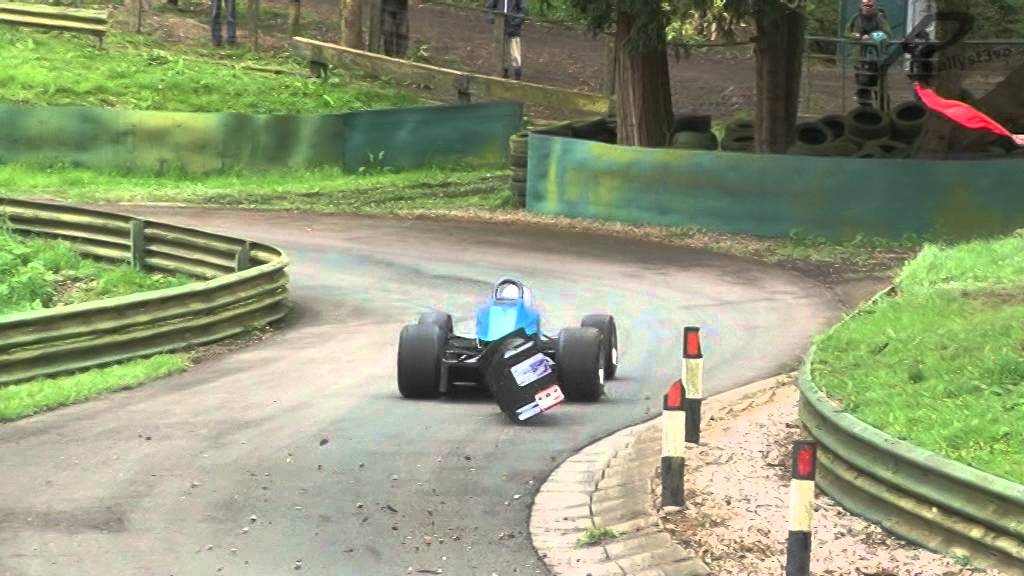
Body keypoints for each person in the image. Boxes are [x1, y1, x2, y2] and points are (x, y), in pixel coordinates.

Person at [846, 0, 893, 105]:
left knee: (879, 86)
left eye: (870, 4)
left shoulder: (880, 19)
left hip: (877, 59)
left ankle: (883, 109)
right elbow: (847, 33)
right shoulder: (855, 18)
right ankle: (865, 110)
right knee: (862, 85)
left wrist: (873, 36)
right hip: (859, 58)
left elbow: (888, 35)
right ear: (860, 5)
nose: (867, 6)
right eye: (865, 4)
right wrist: (859, 36)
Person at [486, 0, 528, 80]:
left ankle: (517, 75)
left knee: (515, 52)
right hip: (500, 27)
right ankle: (503, 72)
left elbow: (524, 10)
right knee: (501, 50)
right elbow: (489, 7)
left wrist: (516, 21)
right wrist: (493, 18)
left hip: (513, 28)